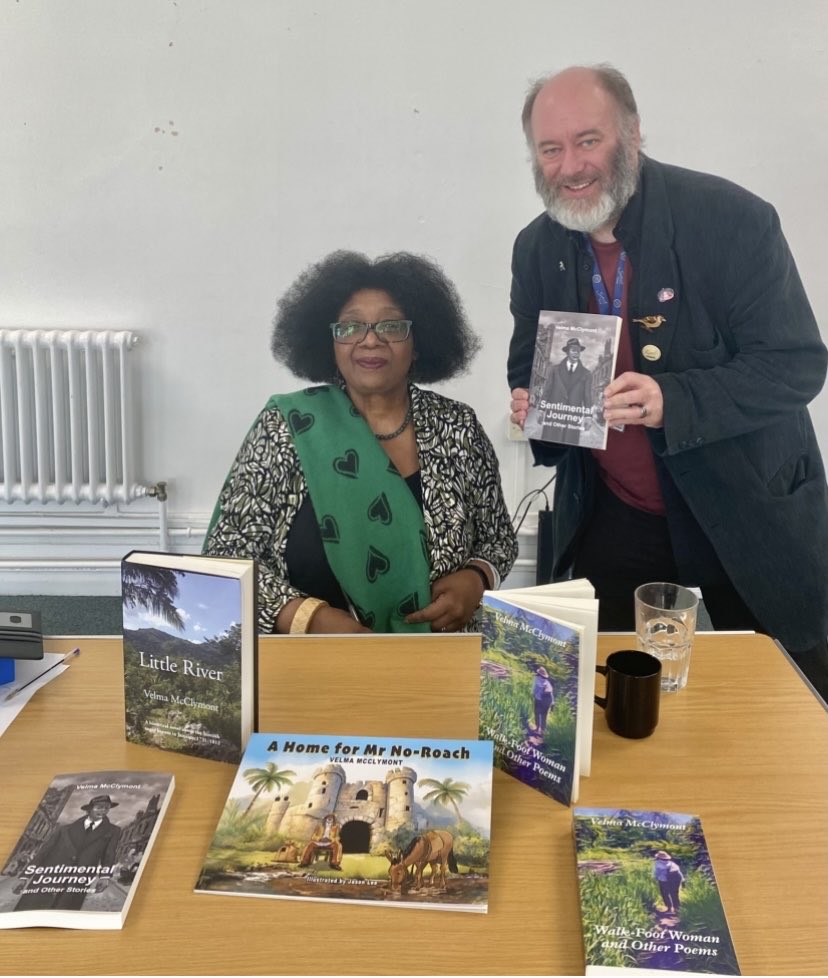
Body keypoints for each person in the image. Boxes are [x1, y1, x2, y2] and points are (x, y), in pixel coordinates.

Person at [508, 64, 828, 696]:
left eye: (588, 140)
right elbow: (528, 365)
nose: (570, 166)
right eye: (551, 148)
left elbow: (795, 364)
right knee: (612, 700)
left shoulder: (730, 218)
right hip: (615, 513)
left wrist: (671, 399)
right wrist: (531, 402)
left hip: (746, 507)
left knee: (790, 699)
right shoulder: (536, 247)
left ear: (632, 135)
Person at [205, 250, 517, 635]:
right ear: (330, 343)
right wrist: (311, 619)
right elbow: (226, 557)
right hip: (306, 662)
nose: (370, 341)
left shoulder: (458, 426)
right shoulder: (287, 425)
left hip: (439, 658)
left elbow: (498, 539)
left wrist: (477, 577)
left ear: (418, 342)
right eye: (351, 327)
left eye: (391, 326)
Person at [14, 794, 122, 910]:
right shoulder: (64, 829)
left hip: (78, 879)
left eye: (106, 808)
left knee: (64, 913)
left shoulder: (113, 831)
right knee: (30, 909)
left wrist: (105, 876)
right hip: (48, 877)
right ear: (89, 809)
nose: (103, 810)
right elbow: (43, 853)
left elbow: (109, 854)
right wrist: (25, 876)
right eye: (99, 807)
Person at [531, 665, 554, 735]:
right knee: (544, 715)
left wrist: (533, 695)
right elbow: (551, 693)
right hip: (547, 701)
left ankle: (537, 728)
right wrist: (552, 703)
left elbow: (533, 689)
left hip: (539, 699)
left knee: (537, 713)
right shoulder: (547, 682)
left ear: (539, 674)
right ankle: (542, 731)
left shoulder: (537, 679)